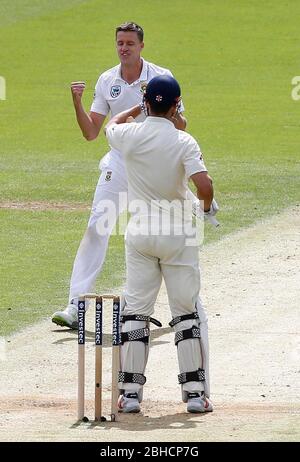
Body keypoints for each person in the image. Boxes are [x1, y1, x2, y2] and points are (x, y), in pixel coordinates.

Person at [51, 22, 187, 329]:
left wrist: (162, 108)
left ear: (141, 46)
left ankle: (159, 307)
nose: (123, 48)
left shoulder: (161, 77)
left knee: (154, 234)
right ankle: (75, 305)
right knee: (97, 226)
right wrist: (77, 103)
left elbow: (181, 126)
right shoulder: (107, 79)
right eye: (119, 43)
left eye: (129, 43)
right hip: (119, 163)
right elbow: (91, 133)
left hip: (152, 166)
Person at [105, 75, 214, 414]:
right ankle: (196, 395)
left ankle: (130, 395)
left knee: (136, 312)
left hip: (139, 233)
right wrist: (207, 208)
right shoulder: (184, 140)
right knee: (185, 312)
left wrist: (139, 105)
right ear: (177, 103)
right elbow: (203, 184)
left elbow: (112, 123)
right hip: (179, 234)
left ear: (148, 103)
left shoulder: (129, 135)